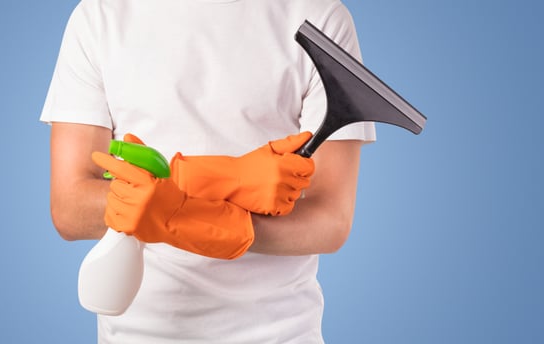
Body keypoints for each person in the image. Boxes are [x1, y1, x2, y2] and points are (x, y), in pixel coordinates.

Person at [40, 0, 375, 342]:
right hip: (138, 332)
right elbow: (70, 208)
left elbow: (330, 221)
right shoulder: (100, 15)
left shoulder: (319, 16)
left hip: (281, 333)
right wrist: (228, 180)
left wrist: (189, 215)